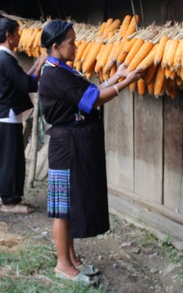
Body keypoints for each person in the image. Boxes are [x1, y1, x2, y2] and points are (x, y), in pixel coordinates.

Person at [38, 19, 142, 284]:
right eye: (71, 42)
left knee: (70, 204)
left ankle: (71, 257)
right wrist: (125, 83)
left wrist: (114, 78)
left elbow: (87, 91)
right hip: (65, 145)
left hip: (71, 142)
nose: (76, 46)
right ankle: (62, 264)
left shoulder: (62, 69)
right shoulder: (54, 74)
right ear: (55, 46)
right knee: (62, 208)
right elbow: (92, 99)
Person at [0, 18, 46, 214]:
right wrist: (40, 65)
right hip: (6, 116)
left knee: (9, 158)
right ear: (8, 36)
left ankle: (8, 195)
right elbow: (28, 84)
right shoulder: (5, 59)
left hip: (3, 115)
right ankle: (9, 202)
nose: (20, 37)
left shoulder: (3, 58)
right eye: (17, 32)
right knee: (11, 160)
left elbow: (21, 79)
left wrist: (35, 67)